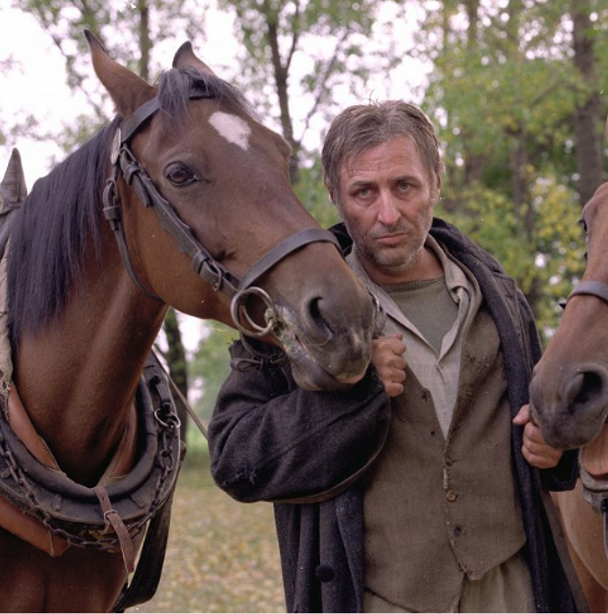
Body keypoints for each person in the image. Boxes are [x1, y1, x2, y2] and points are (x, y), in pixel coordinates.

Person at [208, 100, 579, 613]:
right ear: (336, 197)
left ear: (435, 183)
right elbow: (236, 461)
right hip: (374, 599)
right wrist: (351, 394)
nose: (388, 213)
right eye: (364, 192)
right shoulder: (293, 312)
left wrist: (556, 448)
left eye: (405, 186)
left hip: (511, 591)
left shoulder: (501, 299)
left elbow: (546, 436)